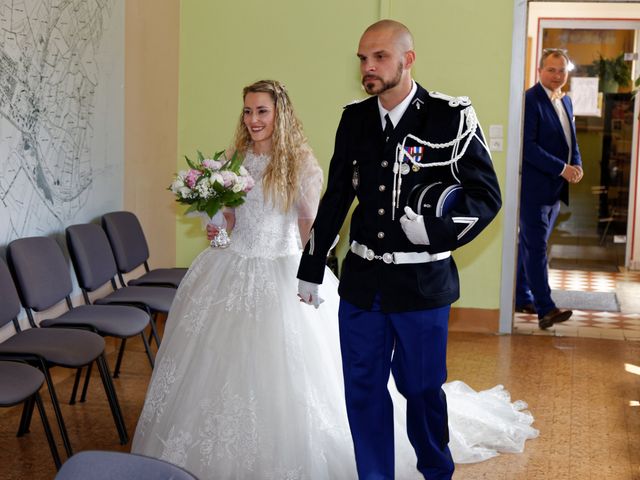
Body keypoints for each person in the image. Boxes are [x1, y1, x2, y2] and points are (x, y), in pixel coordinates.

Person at [132, 78, 536, 480]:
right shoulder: (232, 159)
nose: (253, 119)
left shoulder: (300, 163)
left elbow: (314, 223)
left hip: (281, 266)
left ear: (280, 114)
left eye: (262, 111)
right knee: (216, 370)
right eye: (248, 111)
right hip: (232, 269)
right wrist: (217, 225)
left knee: (303, 373)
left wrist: (315, 274)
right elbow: (230, 224)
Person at [297, 20, 503, 480]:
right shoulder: (355, 118)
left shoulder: (450, 115)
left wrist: (434, 230)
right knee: (363, 389)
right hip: (362, 283)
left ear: (407, 60)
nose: (368, 67)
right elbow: (336, 197)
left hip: (422, 285)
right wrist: (311, 266)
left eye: (379, 57)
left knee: (423, 389)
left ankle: (435, 470)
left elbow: (486, 197)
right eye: (362, 59)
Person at [516, 48, 583, 329]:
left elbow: (571, 140)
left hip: (555, 191)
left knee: (531, 246)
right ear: (540, 71)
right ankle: (546, 309)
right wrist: (562, 168)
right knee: (538, 247)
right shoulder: (530, 100)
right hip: (534, 189)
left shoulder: (565, 101)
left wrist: (576, 164)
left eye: (562, 70)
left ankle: (521, 295)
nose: (557, 75)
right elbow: (528, 148)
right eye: (552, 70)